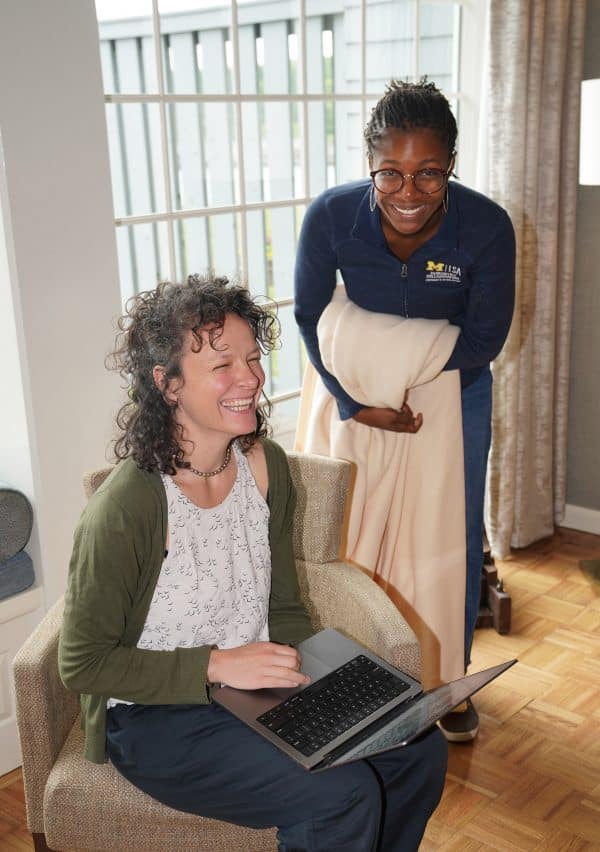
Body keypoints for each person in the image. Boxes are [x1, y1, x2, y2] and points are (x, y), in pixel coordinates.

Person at [58, 274, 447, 852]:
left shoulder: (265, 468)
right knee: (343, 794)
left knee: (420, 749)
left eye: (252, 358)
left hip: (259, 688)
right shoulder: (127, 508)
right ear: (167, 385)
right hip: (156, 718)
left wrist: (326, 678)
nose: (251, 379)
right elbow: (83, 665)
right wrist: (215, 666)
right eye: (222, 366)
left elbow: (282, 605)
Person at [294, 79, 516, 742]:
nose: (408, 192)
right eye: (390, 172)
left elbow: (484, 341)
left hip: (453, 390)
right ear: (369, 163)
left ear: (451, 163)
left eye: (428, 173)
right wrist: (353, 402)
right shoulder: (332, 217)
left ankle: (446, 679)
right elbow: (309, 314)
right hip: (355, 393)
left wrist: (412, 379)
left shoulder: (486, 227)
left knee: (444, 532)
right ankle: (353, 666)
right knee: (347, 529)